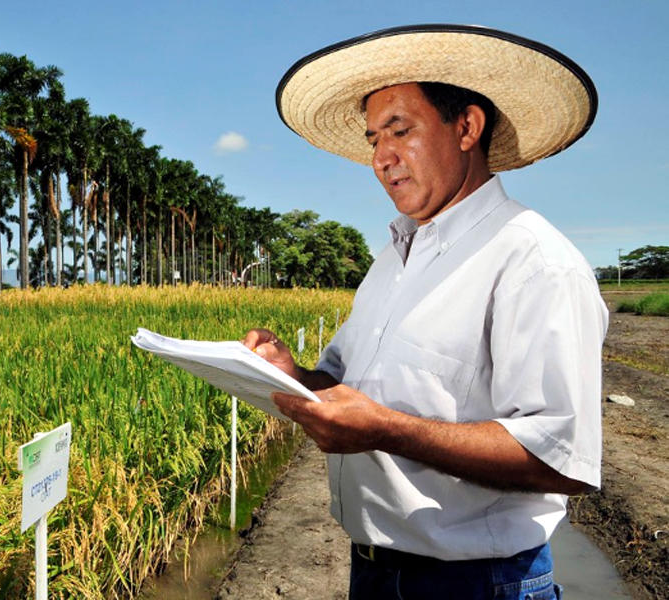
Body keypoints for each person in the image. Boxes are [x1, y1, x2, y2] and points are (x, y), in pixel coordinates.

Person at [244, 25, 609, 599]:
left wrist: (386, 430)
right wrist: (291, 375)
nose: (380, 158)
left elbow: (561, 458)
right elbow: (342, 387)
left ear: (466, 127)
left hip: (480, 583)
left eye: (400, 130)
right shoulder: (393, 259)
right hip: (374, 571)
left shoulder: (533, 261)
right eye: (372, 139)